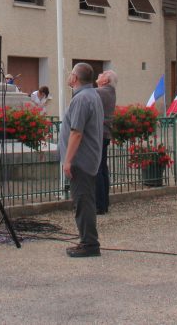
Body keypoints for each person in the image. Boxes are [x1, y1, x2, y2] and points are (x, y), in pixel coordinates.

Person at [59, 62, 104, 258]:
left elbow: (76, 133)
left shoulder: (82, 99)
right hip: (90, 157)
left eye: (71, 74)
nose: (69, 76)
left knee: (82, 201)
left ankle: (89, 244)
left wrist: (67, 161)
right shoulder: (93, 95)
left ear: (75, 78)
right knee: (85, 200)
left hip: (81, 160)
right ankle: (87, 241)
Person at [95, 70, 118, 215]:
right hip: (105, 133)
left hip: (98, 133)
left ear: (105, 81)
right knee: (102, 168)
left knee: (97, 169)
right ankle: (104, 202)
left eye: (102, 74)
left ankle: (99, 205)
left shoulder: (100, 92)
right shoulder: (109, 92)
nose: (99, 74)